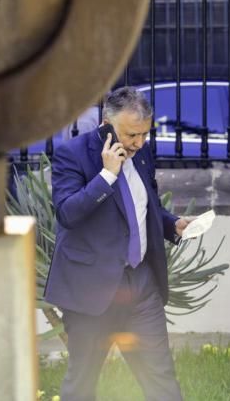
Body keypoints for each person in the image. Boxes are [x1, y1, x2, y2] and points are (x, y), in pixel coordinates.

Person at [44, 87, 190, 401]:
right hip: (91, 289)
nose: (138, 143)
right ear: (108, 123)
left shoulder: (142, 152)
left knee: (161, 377)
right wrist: (106, 176)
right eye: (130, 135)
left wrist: (171, 225)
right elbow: (68, 214)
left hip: (141, 285)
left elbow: (144, 205)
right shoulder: (73, 154)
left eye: (144, 134)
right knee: (82, 383)